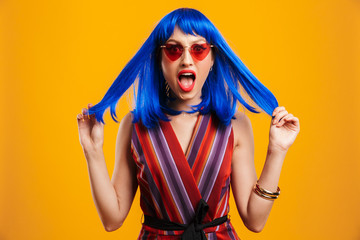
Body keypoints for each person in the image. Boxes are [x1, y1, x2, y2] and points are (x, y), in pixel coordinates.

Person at [77, 8, 300, 240]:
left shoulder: (235, 125)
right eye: (174, 50)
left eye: (198, 49)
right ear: (159, 59)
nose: (186, 60)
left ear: (212, 57)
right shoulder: (135, 125)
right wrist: (92, 151)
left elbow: (255, 220)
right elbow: (112, 220)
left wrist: (277, 150)